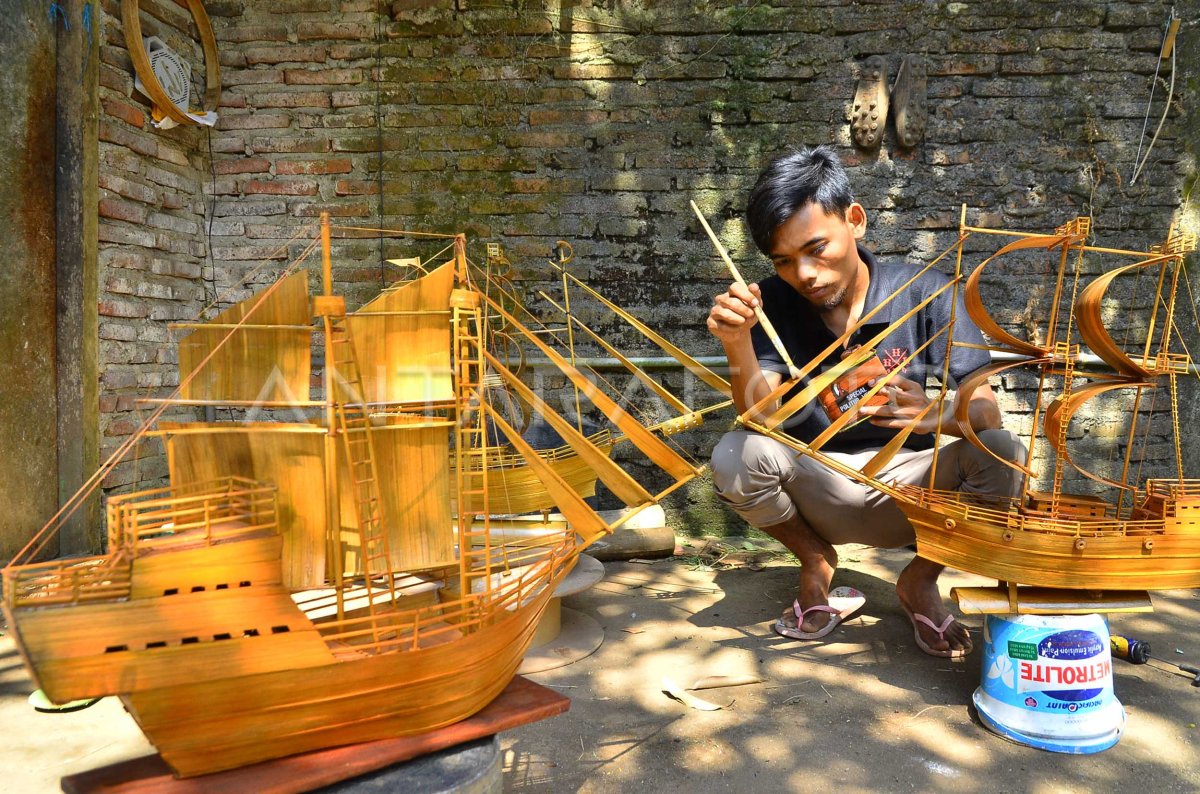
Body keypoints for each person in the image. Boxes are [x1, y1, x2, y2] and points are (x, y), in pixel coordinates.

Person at [707, 145, 1023, 658]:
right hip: (819, 481)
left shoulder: (928, 291)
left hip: (913, 487)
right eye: (784, 261)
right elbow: (759, 418)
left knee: (1003, 452)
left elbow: (986, 412)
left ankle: (919, 581)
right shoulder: (770, 302)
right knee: (733, 454)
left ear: (855, 220)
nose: (804, 274)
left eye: (816, 249)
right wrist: (736, 341)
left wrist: (934, 413)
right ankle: (814, 563)